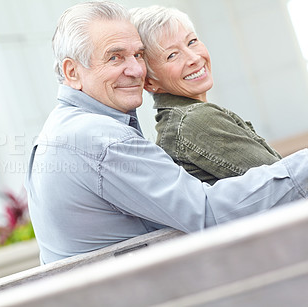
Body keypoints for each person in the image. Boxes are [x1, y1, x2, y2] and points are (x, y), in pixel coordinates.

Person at [25, 1, 308, 264]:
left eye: (137, 54)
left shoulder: (61, 130)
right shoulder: (101, 140)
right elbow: (206, 212)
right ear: (72, 72)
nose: (136, 69)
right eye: (115, 58)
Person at [131, 6, 282, 185]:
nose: (193, 58)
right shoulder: (194, 121)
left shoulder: (180, 121)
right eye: (172, 55)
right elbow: (291, 182)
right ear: (149, 82)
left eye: (192, 42)